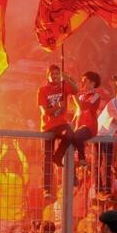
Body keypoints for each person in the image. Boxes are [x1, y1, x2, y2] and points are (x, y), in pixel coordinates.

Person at [37, 64, 78, 199]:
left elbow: (76, 90)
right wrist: (56, 107)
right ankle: (47, 188)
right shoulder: (42, 90)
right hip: (48, 126)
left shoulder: (64, 86)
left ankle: (72, 177)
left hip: (61, 124)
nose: (55, 76)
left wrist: (68, 78)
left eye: (57, 73)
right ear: (48, 76)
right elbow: (45, 111)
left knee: (71, 137)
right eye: (52, 74)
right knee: (47, 157)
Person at [54, 71, 102, 166]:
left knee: (76, 136)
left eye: (85, 81)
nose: (82, 82)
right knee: (68, 136)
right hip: (78, 127)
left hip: (88, 128)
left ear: (93, 83)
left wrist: (74, 93)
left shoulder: (95, 96)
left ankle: (82, 157)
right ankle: (58, 157)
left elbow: (82, 107)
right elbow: (77, 113)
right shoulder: (81, 96)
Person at [0, 139, 28, 233]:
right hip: (18, 219)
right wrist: (18, 149)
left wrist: (3, 152)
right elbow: (26, 164)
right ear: (17, 169)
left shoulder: (3, 179)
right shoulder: (22, 180)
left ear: (7, 169)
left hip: (3, 219)